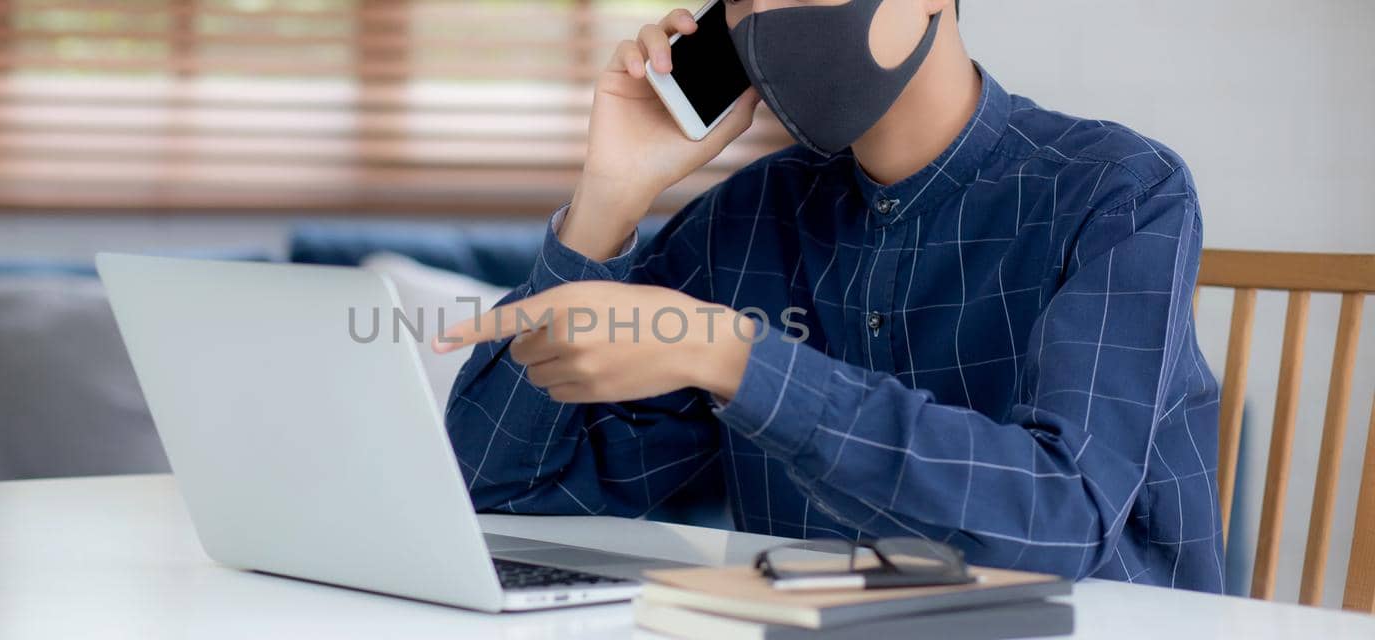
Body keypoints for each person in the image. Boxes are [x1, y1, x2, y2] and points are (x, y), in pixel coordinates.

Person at [434, 0, 1222, 592]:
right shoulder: (746, 221)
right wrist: (608, 198)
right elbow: (496, 491)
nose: (766, 17)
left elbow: (1062, 519)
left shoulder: (1117, 190)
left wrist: (733, 357)